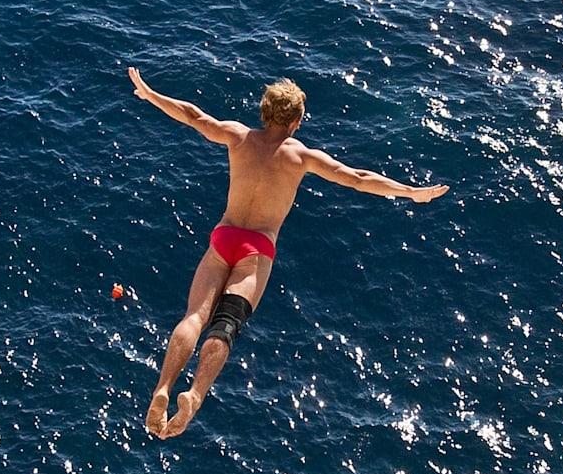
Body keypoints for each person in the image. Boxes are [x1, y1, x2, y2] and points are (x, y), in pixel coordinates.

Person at [128, 66, 449, 438]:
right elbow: (359, 179)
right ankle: (195, 395)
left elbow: (193, 115)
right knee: (225, 325)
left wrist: (151, 94)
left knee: (194, 318)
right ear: (296, 120)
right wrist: (410, 192)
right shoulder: (302, 157)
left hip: (224, 238)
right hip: (256, 250)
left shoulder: (239, 137)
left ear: (264, 113)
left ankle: (163, 388)